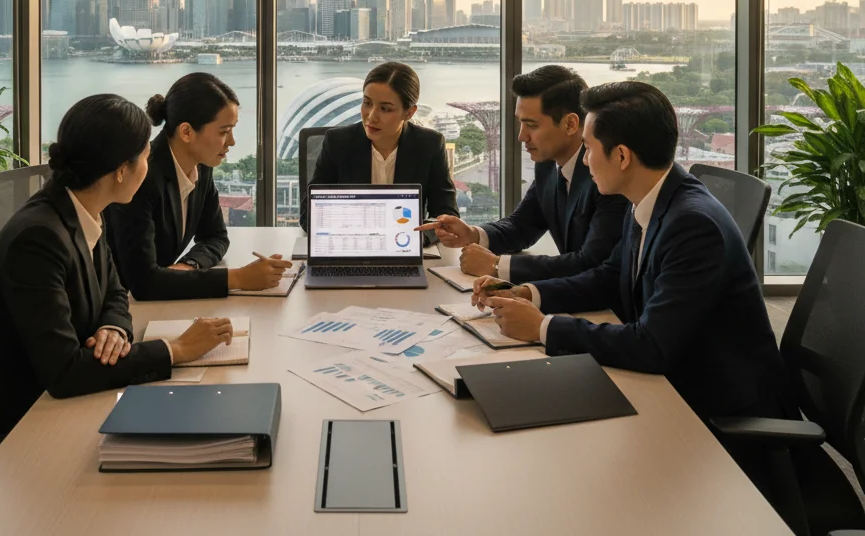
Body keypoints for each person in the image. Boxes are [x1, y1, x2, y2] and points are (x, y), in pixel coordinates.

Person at [0, 94, 233, 536]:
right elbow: (66, 374)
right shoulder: (39, 238)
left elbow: (114, 289)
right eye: (145, 158)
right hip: (7, 428)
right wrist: (174, 350)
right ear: (120, 171)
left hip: (40, 403)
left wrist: (114, 325)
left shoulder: (81, 210)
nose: (149, 169)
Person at [471, 80, 796, 426]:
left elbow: (651, 346)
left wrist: (543, 328)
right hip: (674, 381)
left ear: (622, 156)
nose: (584, 159)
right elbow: (608, 277)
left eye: (588, 147)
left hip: (718, 409)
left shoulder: (693, 226)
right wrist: (529, 293)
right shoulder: (649, 197)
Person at [417, 65, 627, 281]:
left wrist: (498, 266)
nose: (521, 136)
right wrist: (471, 234)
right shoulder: (548, 164)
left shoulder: (606, 175)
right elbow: (521, 227)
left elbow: (591, 262)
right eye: (520, 123)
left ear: (570, 124)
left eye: (531, 125)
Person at [106, 73, 290, 300]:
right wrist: (239, 279)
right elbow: (143, 283)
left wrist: (188, 266)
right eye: (224, 131)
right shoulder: (142, 178)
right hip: (119, 309)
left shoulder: (201, 166)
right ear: (186, 132)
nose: (232, 141)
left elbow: (216, 237)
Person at [301, 61, 459, 231]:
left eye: (385, 109)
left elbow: (446, 214)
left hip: (406, 244)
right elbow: (309, 215)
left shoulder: (429, 144)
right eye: (367, 103)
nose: (372, 116)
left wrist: (420, 238)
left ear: (409, 112)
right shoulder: (338, 142)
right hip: (352, 244)